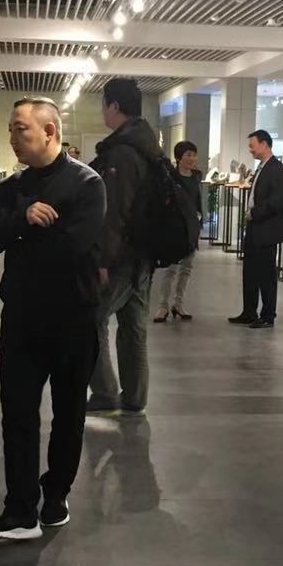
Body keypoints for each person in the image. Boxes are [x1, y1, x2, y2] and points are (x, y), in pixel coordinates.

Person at [0, 98, 106, 541]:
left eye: (20, 129)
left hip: (73, 320)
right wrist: (24, 220)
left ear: (49, 132)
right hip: (21, 320)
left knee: (69, 414)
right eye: (11, 129)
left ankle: (56, 495)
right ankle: (20, 509)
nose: (13, 137)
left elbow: (72, 249)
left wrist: (19, 235)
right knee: (18, 415)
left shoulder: (87, 184)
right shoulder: (12, 187)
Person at [86, 77, 161, 417]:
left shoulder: (123, 152)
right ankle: (135, 397)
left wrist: (102, 259)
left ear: (114, 106)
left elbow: (115, 211)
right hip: (143, 253)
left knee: (91, 319)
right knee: (133, 326)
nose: (103, 111)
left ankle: (104, 392)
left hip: (120, 257)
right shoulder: (149, 146)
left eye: (104, 104)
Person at [229, 129, 283, 329]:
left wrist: (255, 213)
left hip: (267, 230)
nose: (250, 149)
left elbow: (277, 201)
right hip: (255, 228)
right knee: (250, 272)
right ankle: (249, 312)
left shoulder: (276, 169)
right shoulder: (262, 167)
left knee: (266, 275)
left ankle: (268, 315)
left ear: (264, 144)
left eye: (252, 145)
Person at [154, 140, 202, 322]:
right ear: (179, 157)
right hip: (175, 229)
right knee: (171, 269)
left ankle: (178, 304)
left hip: (192, 229)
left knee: (186, 269)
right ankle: (163, 306)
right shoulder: (171, 177)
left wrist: (199, 220)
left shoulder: (196, 177)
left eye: (194, 155)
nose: (192, 158)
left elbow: (197, 202)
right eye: (188, 155)